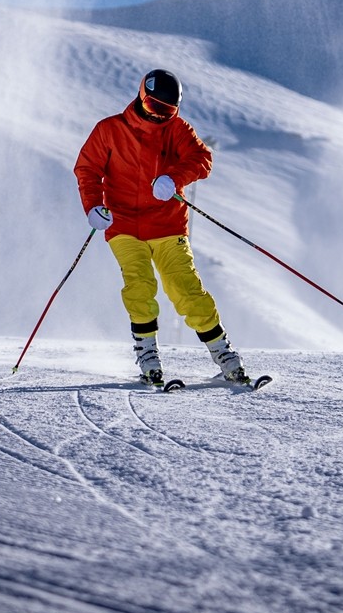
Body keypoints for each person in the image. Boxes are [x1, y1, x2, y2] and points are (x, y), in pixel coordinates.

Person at [73, 69, 250, 386]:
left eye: (167, 112)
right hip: (123, 222)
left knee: (185, 288)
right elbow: (87, 169)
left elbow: (202, 158)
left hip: (167, 223)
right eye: (155, 109)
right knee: (139, 283)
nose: (160, 117)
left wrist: (175, 178)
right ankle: (148, 356)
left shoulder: (177, 129)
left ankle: (224, 355)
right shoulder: (109, 130)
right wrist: (93, 207)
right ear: (143, 98)